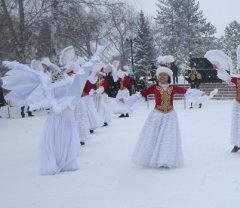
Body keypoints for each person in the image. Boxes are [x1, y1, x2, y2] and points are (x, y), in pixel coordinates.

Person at [2, 46, 103, 175]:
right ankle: (64, 162)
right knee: (62, 141)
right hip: (63, 120)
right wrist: (96, 55)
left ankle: (62, 161)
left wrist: (16, 66)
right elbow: (85, 71)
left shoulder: (52, 87)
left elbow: (83, 71)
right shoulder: (68, 86)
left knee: (57, 142)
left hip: (57, 120)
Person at [127, 59, 195, 168]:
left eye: (164, 75)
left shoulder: (173, 88)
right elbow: (141, 95)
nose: (162, 77)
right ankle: (151, 158)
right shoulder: (154, 87)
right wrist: (127, 101)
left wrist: (201, 95)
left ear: (169, 77)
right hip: (157, 115)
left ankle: (165, 160)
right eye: (160, 75)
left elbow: (186, 92)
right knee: (154, 136)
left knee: (168, 138)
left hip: (170, 116)